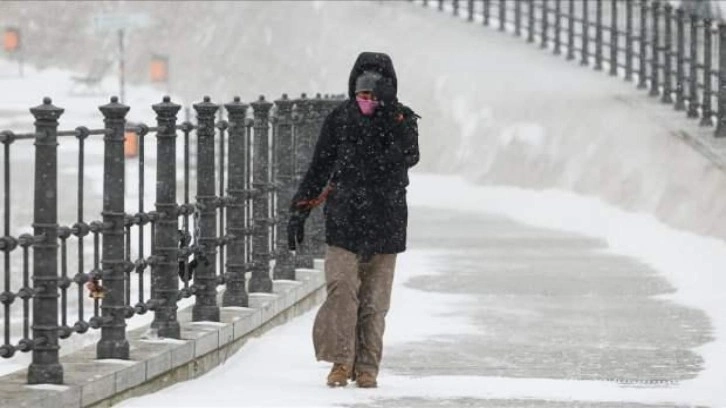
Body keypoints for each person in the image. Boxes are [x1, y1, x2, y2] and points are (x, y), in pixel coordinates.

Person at [287, 51, 420, 388]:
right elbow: (320, 167)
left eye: (374, 96)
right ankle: (341, 362)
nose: (367, 102)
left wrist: (388, 120)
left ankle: (367, 367)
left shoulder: (402, 120)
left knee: (375, 303)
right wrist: (299, 210)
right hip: (344, 219)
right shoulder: (339, 119)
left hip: (386, 221)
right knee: (342, 291)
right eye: (362, 95)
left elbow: (410, 156)